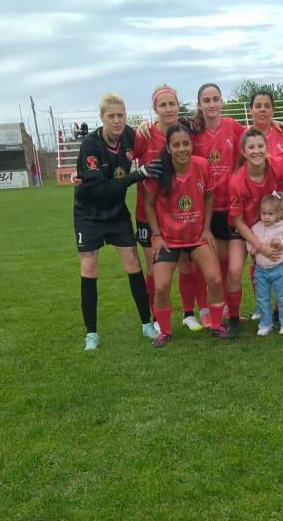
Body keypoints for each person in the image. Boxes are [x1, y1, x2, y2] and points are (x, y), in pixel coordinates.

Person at [73, 92, 163, 351]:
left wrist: (150, 125)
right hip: (88, 213)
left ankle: (146, 324)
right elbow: (101, 189)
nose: (116, 120)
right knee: (89, 269)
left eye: (120, 115)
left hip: (116, 213)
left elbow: (154, 142)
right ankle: (91, 333)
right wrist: (139, 175)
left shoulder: (130, 136)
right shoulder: (90, 146)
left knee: (133, 264)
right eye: (110, 116)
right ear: (101, 118)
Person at [143, 122, 234, 347]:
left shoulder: (202, 166)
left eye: (186, 144)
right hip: (169, 239)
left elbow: (209, 198)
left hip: (196, 237)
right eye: (176, 145)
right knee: (162, 285)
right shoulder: (160, 171)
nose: (182, 149)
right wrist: (157, 235)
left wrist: (206, 228)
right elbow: (148, 205)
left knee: (214, 279)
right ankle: (165, 331)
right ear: (168, 147)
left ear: (191, 144)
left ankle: (216, 325)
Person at [134, 86, 208, 332]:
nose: (168, 109)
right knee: (155, 270)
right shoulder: (144, 134)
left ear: (178, 106)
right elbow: (123, 157)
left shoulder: (186, 131)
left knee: (188, 265)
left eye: (172, 104)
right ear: (155, 109)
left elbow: (209, 118)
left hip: (181, 216)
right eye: (163, 105)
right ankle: (156, 319)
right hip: (150, 214)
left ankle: (189, 314)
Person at [226, 128, 283, 334]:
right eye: (251, 147)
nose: (257, 151)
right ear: (244, 152)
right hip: (245, 228)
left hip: (272, 226)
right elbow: (237, 221)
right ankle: (235, 320)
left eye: (260, 146)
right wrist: (259, 246)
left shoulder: (277, 166)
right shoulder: (236, 181)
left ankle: (276, 312)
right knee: (235, 270)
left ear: (267, 148)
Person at [191, 83, 246, 324]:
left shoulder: (233, 126)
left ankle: (222, 308)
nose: (212, 104)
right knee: (203, 262)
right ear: (199, 104)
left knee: (223, 260)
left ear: (222, 101)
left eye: (216, 99)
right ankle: (204, 310)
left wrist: (276, 124)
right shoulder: (193, 131)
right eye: (207, 100)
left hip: (228, 205)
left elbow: (255, 137)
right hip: (202, 208)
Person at [248, 192, 283, 336]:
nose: (266, 217)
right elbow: (250, 246)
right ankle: (265, 324)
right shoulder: (256, 227)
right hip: (261, 270)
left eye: (270, 214)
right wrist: (254, 249)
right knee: (262, 298)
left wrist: (281, 243)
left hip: (279, 269)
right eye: (263, 213)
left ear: (279, 213)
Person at [247, 90, 283, 162]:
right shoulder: (243, 136)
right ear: (250, 110)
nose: (262, 109)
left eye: (267, 106)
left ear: (273, 111)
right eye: (258, 106)